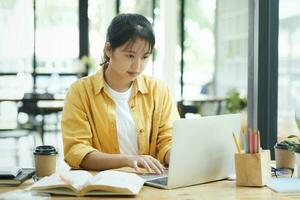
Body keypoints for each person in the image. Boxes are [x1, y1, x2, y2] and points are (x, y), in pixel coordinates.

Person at [61, 13, 179, 174]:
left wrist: (178, 155)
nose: (138, 65)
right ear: (109, 49)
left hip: (151, 182)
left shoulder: (159, 90)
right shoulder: (80, 92)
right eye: (130, 55)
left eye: (145, 57)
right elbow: (76, 151)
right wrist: (128, 160)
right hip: (102, 185)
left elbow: (169, 140)